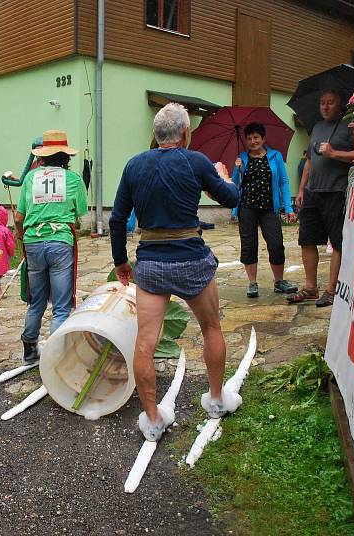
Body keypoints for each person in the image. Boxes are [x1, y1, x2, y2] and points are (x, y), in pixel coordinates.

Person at [110, 103, 241, 442]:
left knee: (146, 343)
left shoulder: (134, 165)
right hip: (192, 261)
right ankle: (215, 400)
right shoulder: (195, 160)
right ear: (185, 133)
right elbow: (230, 198)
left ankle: (153, 419)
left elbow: (116, 218)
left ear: (156, 135)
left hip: (151, 264)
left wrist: (120, 260)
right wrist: (224, 175)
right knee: (211, 327)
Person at [15, 130, 88, 365]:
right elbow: (79, 216)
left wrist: (21, 237)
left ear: (43, 155)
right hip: (60, 241)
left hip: (33, 241)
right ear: (66, 156)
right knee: (60, 305)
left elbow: (18, 217)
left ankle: (29, 350)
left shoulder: (30, 178)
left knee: (36, 301)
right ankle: (56, 359)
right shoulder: (74, 179)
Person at [289, 89, 354, 307]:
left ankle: (331, 289)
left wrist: (334, 153)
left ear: (340, 106)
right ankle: (310, 288)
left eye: (331, 103)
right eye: (322, 103)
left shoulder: (350, 127)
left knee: (337, 241)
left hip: (336, 191)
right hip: (313, 192)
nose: (326, 107)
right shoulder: (317, 128)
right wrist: (301, 188)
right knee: (307, 239)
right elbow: (309, 160)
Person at [232, 122, 298, 298]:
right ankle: (252, 283)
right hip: (247, 208)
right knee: (249, 246)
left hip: (269, 208)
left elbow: (283, 182)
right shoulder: (241, 158)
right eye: (249, 138)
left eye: (256, 137)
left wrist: (288, 207)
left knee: (276, 244)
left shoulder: (275, 156)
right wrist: (237, 169)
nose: (253, 141)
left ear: (263, 139)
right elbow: (234, 185)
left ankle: (279, 282)